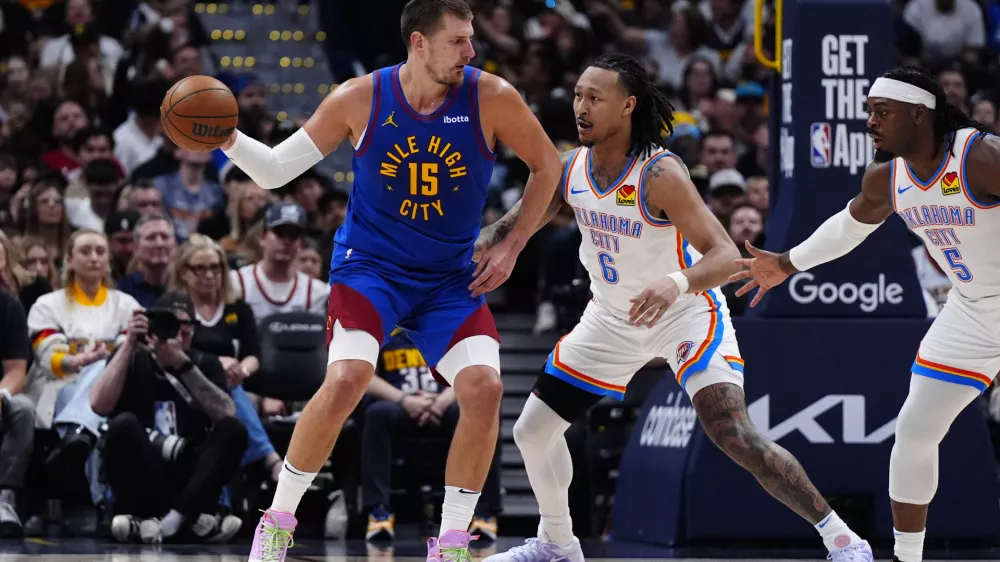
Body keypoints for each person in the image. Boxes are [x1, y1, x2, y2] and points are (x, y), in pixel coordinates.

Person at [477, 53, 873, 562]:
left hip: (686, 312)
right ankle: (557, 541)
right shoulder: (571, 166)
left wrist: (675, 282)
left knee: (733, 433)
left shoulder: (658, 172)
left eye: (595, 97)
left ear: (628, 106)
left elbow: (726, 254)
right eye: (578, 94)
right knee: (532, 431)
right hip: (611, 318)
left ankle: (842, 540)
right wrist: (485, 242)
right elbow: (522, 218)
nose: (581, 106)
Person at [218, 1, 562, 560]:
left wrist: (514, 241)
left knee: (485, 389)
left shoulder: (491, 96)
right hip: (370, 269)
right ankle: (278, 521)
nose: (471, 51)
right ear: (419, 43)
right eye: (458, 41)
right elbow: (277, 170)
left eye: (471, 39)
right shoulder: (360, 96)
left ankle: (451, 540)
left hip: (449, 277)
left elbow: (549, 166)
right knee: (349, 376)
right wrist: (225, 136)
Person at [730, 65, 1000, 562]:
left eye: (883, 112)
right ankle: (907, 557)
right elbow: (847, 229)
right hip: (972, 310)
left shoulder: (980, 156)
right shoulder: (888, 178)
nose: (871, 122)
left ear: (920, 116)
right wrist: (785, 264)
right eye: (868, 112)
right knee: (915, 429)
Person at [89, 292, 247, 545]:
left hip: (189, 472)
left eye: (185, 329)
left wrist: (181, 364)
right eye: (169, 326)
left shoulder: (204, 362)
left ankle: (174, 518)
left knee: (234, 430)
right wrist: (129, 343)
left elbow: (225, 414)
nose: (176, 336)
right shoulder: (131, 357)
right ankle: (187, 521)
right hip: (145, 469)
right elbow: (98, 404)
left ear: (194, 331)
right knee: (122, 425)